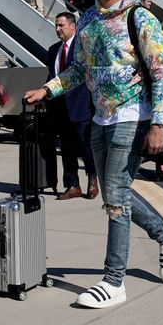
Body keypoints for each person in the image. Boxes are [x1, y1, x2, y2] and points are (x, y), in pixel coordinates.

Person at [25, 0, 163, 310]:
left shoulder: (140, 18)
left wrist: (159, 123)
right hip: (100, 118)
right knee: (119, 192)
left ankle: (114, 280)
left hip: (133, 116)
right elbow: (79, 71)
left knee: (113, 193)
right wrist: (47, 89)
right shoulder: (87, 21)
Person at [45, 12, 98, 200]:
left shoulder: (83, 47)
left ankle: (92, 178)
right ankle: (72, 184)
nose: (58, 29)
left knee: (85, 145)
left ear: (72, 27)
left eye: (61, 25)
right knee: (66, 148)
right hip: (60, 107)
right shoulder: (53, 50)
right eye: (56, 26)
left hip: (81, 105)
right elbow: (52, 77)